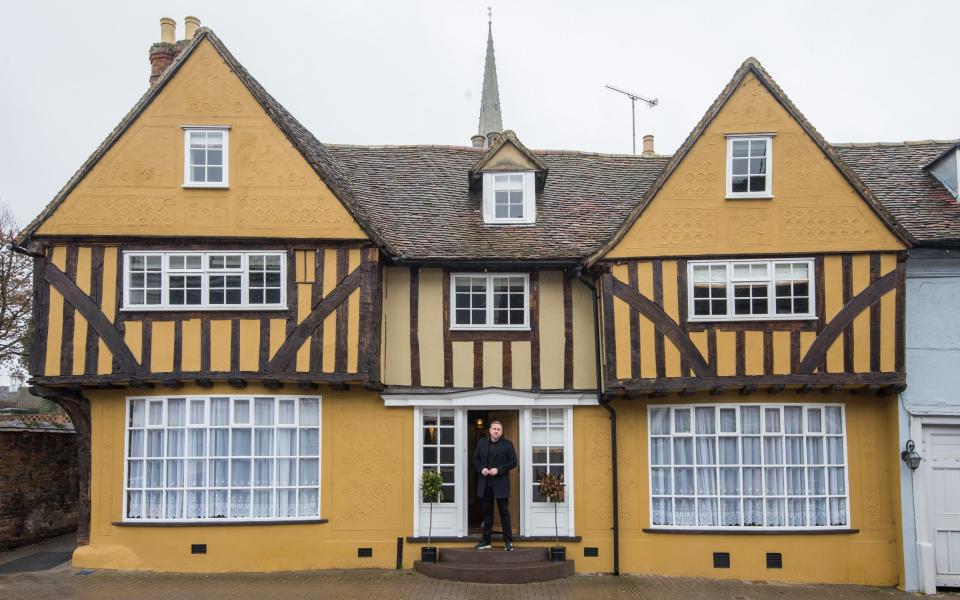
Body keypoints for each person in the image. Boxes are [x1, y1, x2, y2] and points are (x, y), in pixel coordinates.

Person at [473, 420, 517, 551]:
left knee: (504, 513)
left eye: (499, 429)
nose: (496, 431)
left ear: (501, 432)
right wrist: (482, 469)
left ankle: (508, 542)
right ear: (490, 430)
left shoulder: (508, 444)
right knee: (487, 513)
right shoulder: (482, 443)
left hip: (501, 483)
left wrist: (499, 469)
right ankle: (486, 540)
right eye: (494, 429)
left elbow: (513, 462)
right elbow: (475, 460)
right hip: (485, 483)